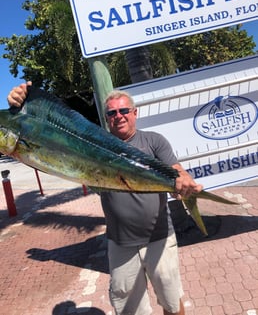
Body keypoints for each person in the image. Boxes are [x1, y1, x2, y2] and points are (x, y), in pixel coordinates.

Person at [8, 82, 203, 315]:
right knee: (129, 309)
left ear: (134, 113)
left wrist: (183, 181)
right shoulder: (89, 147)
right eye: (111, 113)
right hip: (120, 244)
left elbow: (176, 170)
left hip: (159, 238)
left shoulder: (154, 141)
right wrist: (20, 101)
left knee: (171, 302)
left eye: (123, 111)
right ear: (106, 117)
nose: (118, 116)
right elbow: (45, 156)